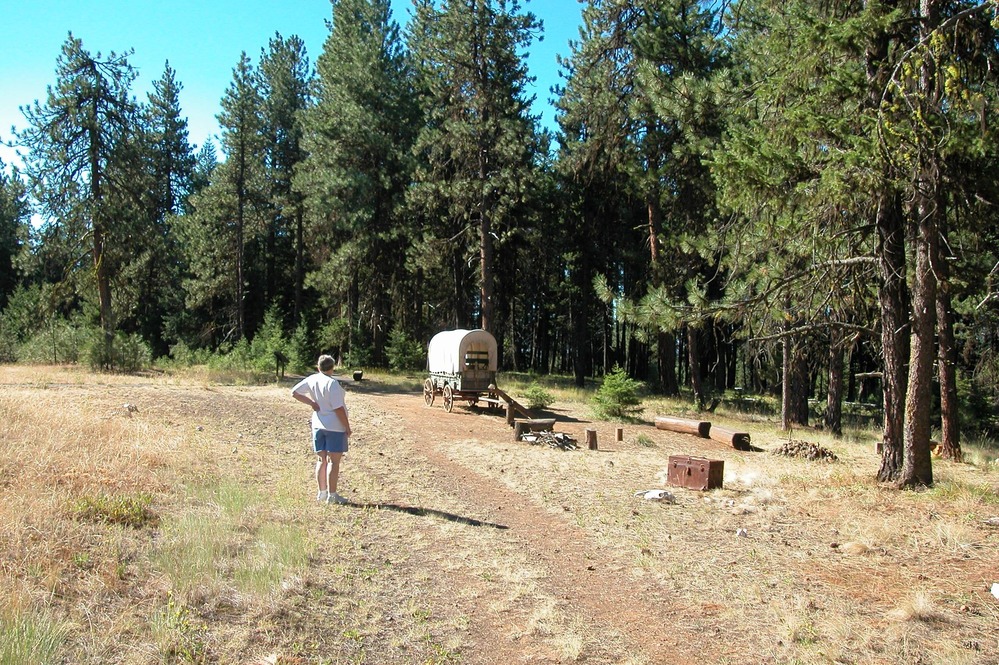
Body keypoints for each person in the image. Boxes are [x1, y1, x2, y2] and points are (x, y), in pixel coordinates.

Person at [291, 355, 353, 504]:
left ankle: (322, 493)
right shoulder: (332, 384)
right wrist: (347, 426)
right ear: (332, 368)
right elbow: (338, 408)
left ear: (318, 367)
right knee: (334, 462)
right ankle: (332, 495)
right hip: (335, 427)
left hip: (318, 425)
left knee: (321, 459)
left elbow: (294, 392)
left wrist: (312, 403)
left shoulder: (312, 379)